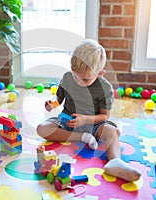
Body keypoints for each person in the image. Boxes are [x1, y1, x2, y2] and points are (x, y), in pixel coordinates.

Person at [36, 39, 141, 182]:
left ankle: (115, 161)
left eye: (85, 79)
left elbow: (104, 116)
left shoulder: (105, 88)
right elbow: (59, 99)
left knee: (112, 131)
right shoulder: (67, 78)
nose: (79, 81)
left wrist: (85, 120)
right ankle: (83, 137)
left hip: (93, 124)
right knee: (42, 128)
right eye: (75, 75)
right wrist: (52, 104)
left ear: (100, 73)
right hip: (68, 121)